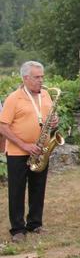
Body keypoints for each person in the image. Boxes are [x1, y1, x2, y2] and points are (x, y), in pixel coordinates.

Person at [0, 61, 58, 243]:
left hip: (41, 150)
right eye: (37, 77)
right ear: (26, 78)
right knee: (17, 190)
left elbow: (49, 117)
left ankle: (35, 223)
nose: (41, 80)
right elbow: (3, 126)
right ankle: (17, 229)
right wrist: (24, 145)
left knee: (38, 187)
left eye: (42, 76)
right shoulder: (13, 98)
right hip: (19, 152)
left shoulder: (47, 95)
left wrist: (55, 121)